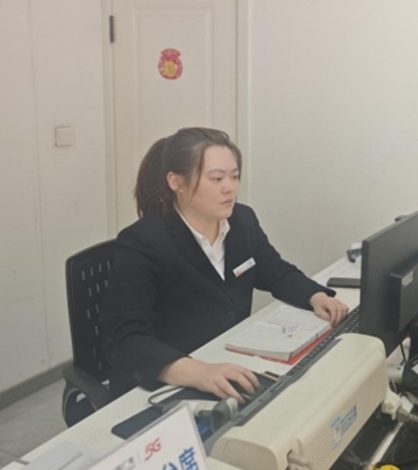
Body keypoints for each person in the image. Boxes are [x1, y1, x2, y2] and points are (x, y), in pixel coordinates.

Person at [101, 127, 349, 402]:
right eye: (217, 178)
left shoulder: (242, 221)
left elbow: (274, 271)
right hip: (169, 383)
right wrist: (199, 372)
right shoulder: (143, 242)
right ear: (176, 182)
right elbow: (126, 340)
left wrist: (315, 296)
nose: (229, 187)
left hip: (227, 363)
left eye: (234, 176)